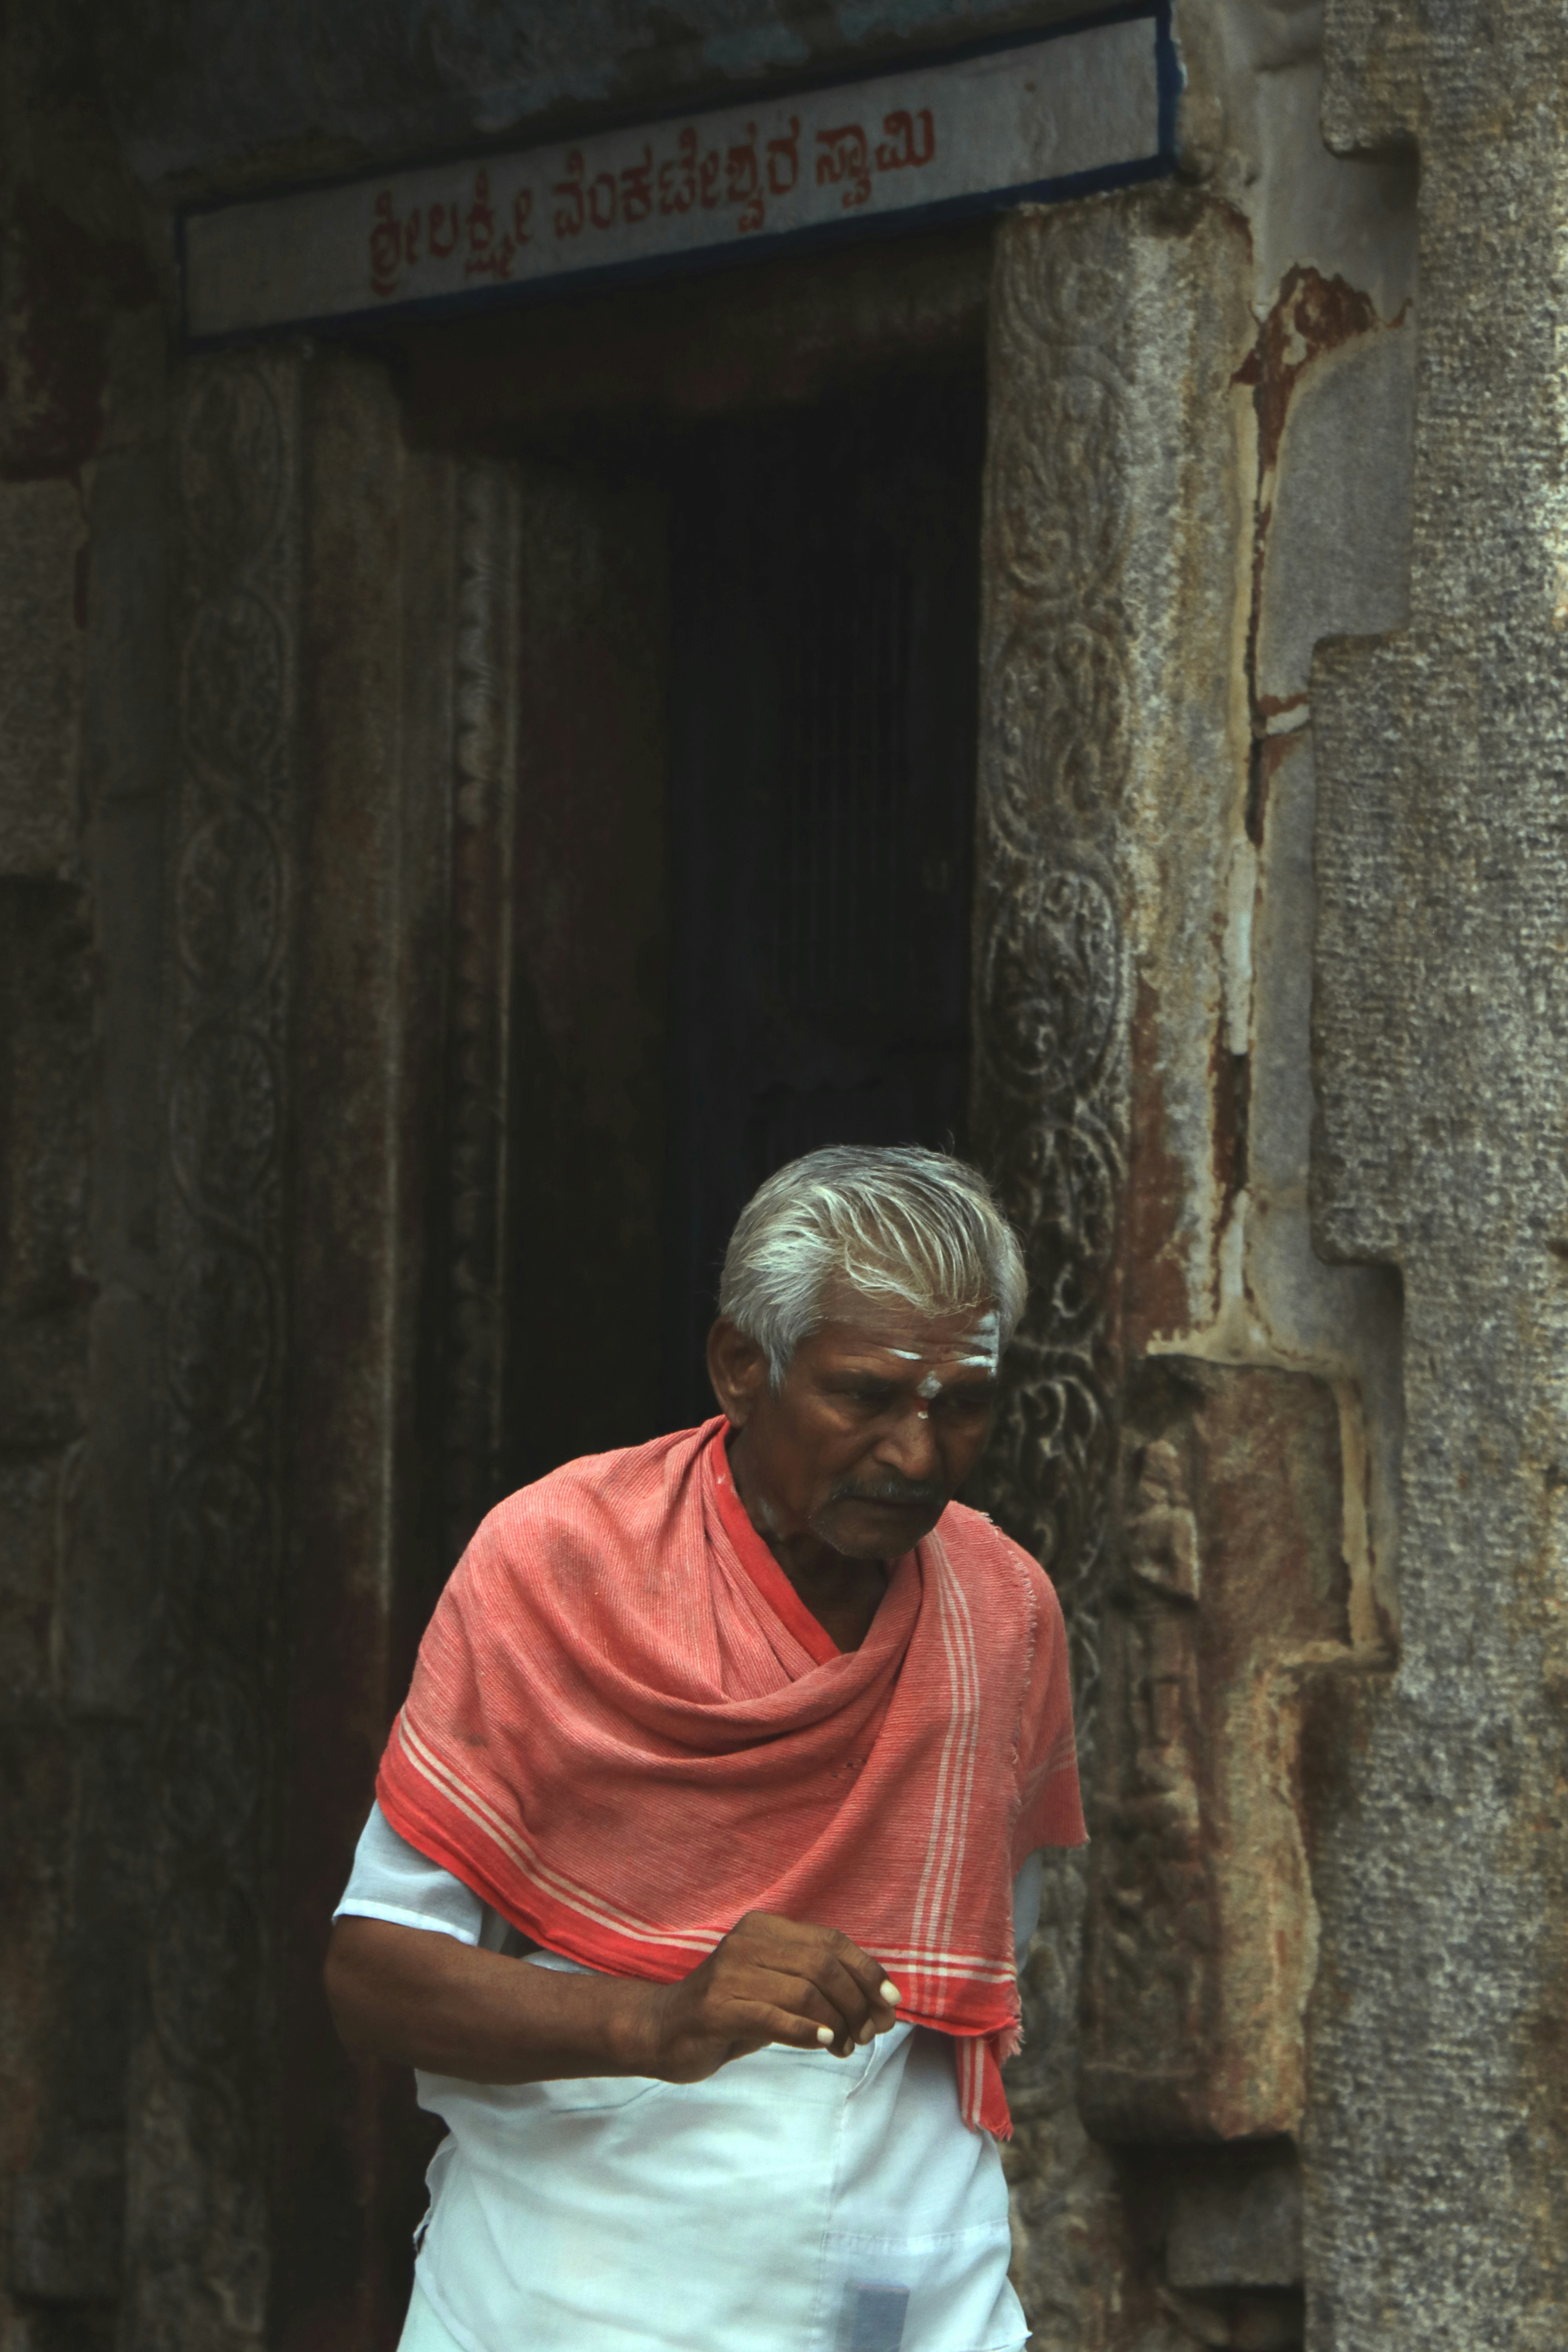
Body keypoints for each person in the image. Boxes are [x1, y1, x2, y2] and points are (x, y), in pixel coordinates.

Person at [326, 1144, 1085, 2352]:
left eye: (963, 1405)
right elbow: (374, 1971)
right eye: (867, 1397)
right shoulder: (558, 1562)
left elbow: (983, 1970)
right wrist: (660, 2021)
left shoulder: (1006, 1610)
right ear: (743, 1367)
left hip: (899, 2287)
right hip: (575, 2281)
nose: (918, 1454)